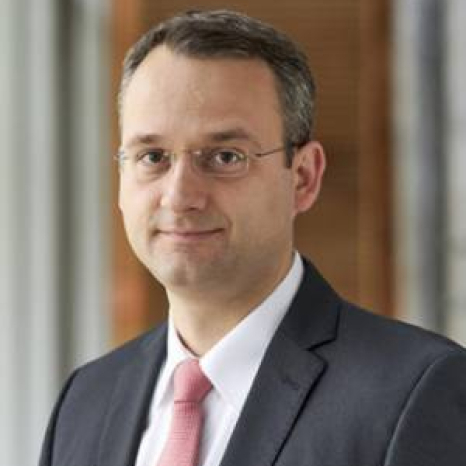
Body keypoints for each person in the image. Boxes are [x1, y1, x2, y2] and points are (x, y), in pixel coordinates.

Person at [39, 9, 466, 466]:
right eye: (153, 156)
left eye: (225, 156)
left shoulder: (414, 391)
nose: (180, 195)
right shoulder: (84, 402)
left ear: (303, 177)